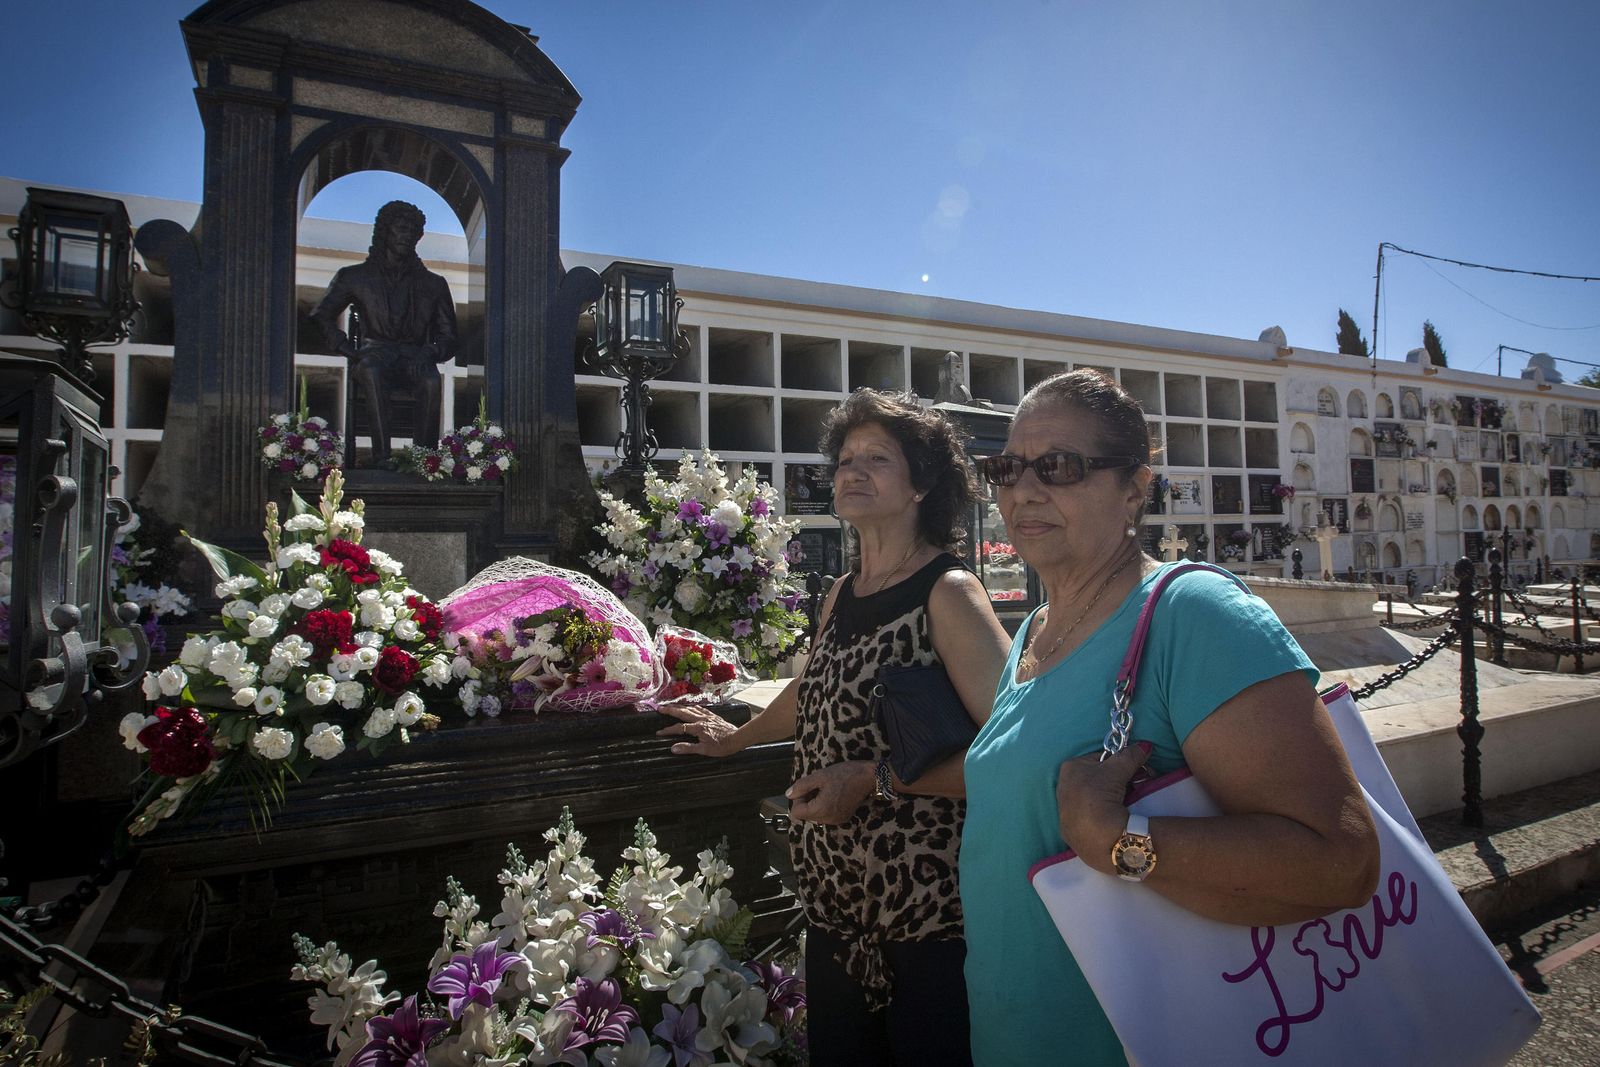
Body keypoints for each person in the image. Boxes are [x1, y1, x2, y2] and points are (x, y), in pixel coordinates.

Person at [959, 369, 1380, 1066]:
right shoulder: (1034, 630)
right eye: (1006, 469)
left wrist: (1120, 841)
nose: (1022, 491)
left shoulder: (1194, 616)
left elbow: (1342, 862)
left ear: (1135, 487)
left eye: (1058, 466)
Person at [659, 389, 1010, 1066]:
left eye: (877, 458)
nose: (853, 470)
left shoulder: (947, 591)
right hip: (834, 905)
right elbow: (811, 688)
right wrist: (734, 737)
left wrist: (874, 781)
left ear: (922, 484)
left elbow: (1011, 752)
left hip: (925, 914)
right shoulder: (844, 592)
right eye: (846, 458)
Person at [310, 200, 458, 466]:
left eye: (413, 231)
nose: (407, 236)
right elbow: (321, 315)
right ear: (385, 231)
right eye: (401, 228)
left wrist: (430, 351)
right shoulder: (354, 276)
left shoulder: (433, 284)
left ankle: (424, 461)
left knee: (430, 380)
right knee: (371, 370)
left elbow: (449, 336)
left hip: (416, 356)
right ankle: (382, 458)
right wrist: (348, 349)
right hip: (375, 353)